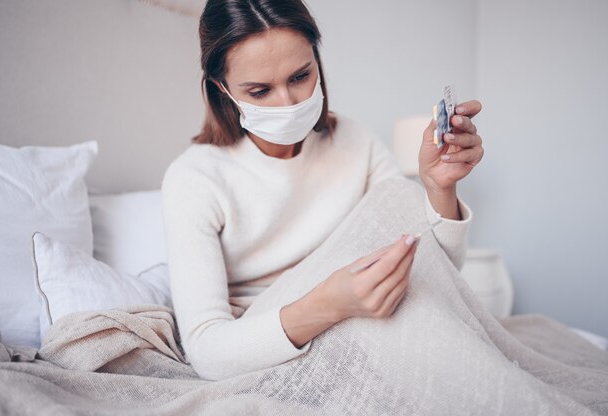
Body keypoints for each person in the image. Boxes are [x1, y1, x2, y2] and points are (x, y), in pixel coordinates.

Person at [161, 0, 484, 381]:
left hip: (372, 326)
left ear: (317, 60)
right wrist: (330, 305)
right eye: (260, 91)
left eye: (300, 76)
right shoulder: (194, 178)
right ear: (222, 90)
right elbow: (207, 352)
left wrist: (437, 189)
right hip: (270, 345)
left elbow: (438, 273)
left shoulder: (355, 141)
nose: (287, 104)